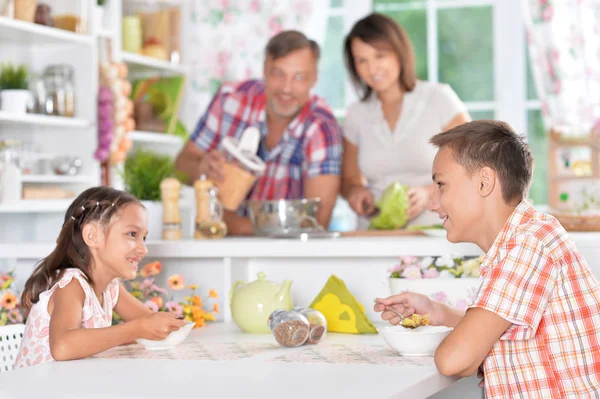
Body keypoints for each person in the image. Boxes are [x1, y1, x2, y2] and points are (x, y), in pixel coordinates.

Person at [374, 120, 600, 398]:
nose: (433, 203)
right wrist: (438, 313)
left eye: (441, 185)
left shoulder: (529, 244)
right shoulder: (523, 239)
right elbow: (505, 332)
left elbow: (455, 359)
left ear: (484, 182)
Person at [175, 30, 343, 235]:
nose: (287, 88)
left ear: (314, 80)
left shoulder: (322, 127)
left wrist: (232, 224)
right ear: (264, 70)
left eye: (299, 77)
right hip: (217, 245)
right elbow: (181, 165)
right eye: (278, 74)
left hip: (285, 255)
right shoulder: (231, 100)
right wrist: (201, 168)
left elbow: (317, 222)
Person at [15, 187, 185, 368]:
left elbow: (148, 324)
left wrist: (164, 326)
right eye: (132, 234)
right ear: (92, 236)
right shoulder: (72, 284)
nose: (143, 249)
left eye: (144, 237)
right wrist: (138, 329)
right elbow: (62, 347)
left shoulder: (111, 287)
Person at [342, 13, 470, 228]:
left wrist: (431, 192)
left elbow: (473, 164)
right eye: (362, 60)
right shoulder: (356, 114)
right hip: (375, 233)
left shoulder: (439, 98)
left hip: (437, 228)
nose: (372, 69)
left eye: (380, 56)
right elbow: (349, 181)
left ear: (399, 52)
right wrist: (356, 193)